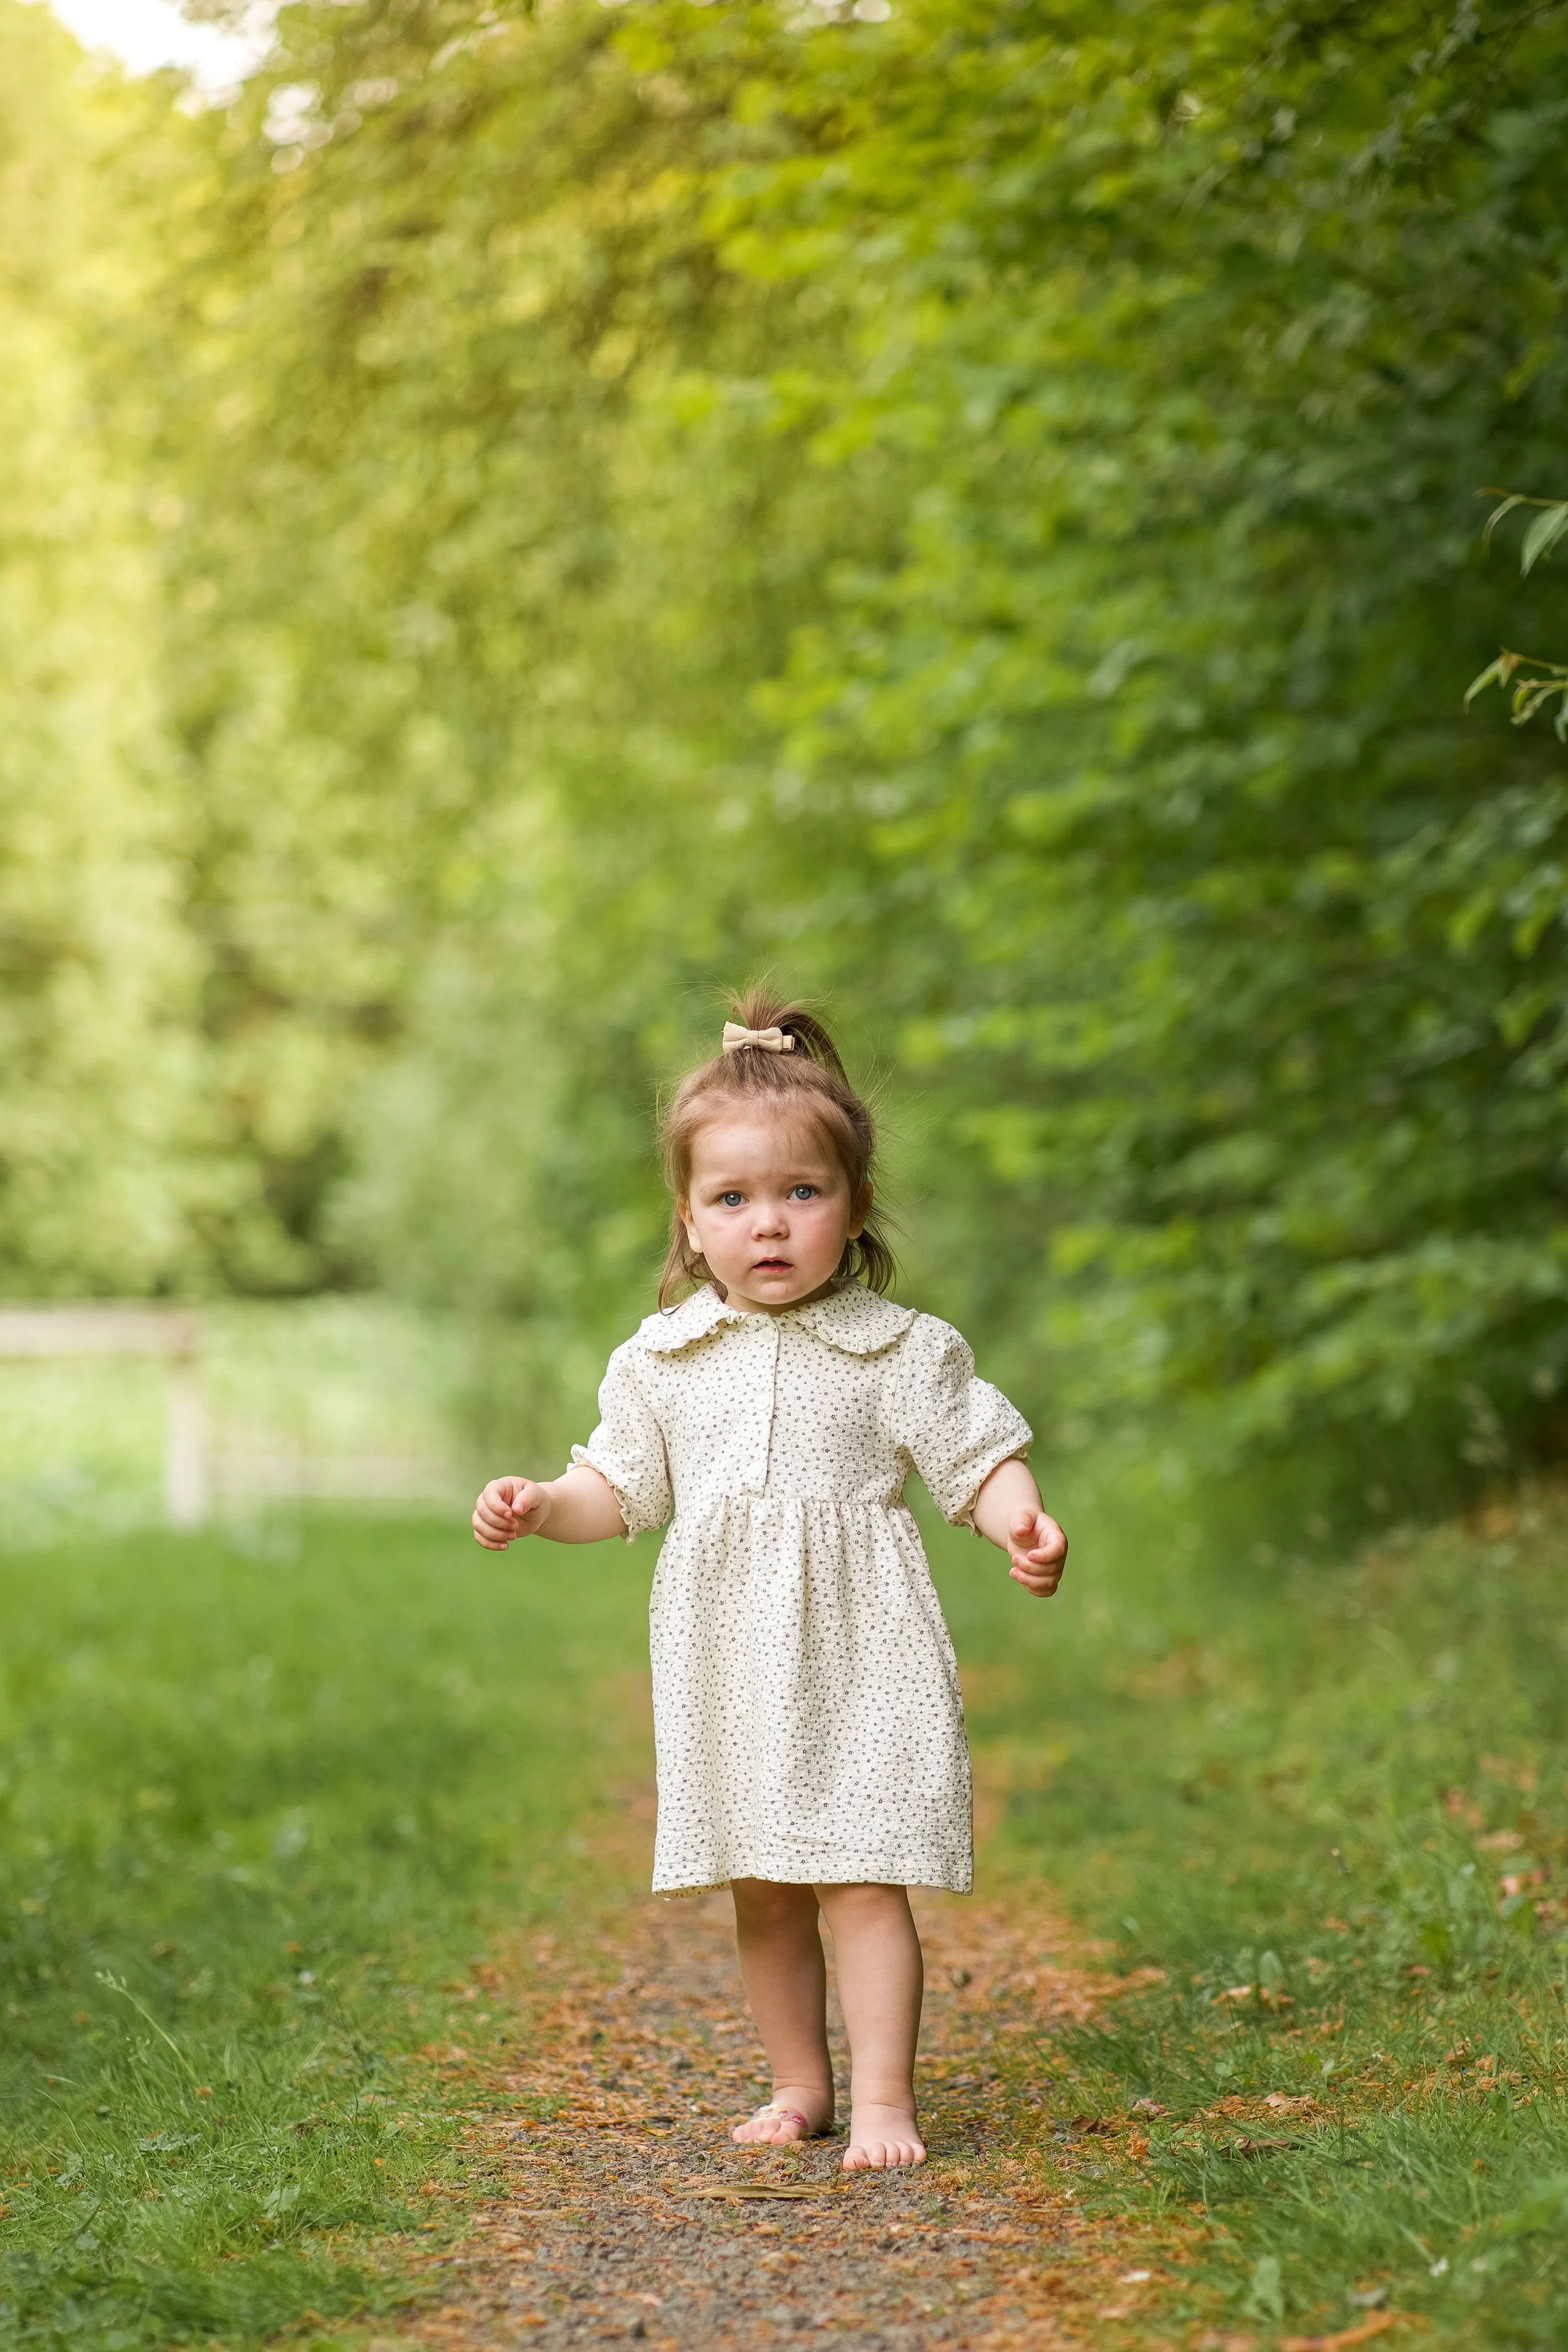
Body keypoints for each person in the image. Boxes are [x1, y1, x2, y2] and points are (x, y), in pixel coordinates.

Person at [472, 991, 1066, 2170]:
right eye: (734, 1199)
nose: (771, 1225)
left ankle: (887, 2098)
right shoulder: (664, 1359)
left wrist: (1020, 1520)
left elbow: (973, 1451)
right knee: (766, 1883)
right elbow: (621, 1489)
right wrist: (546, 1507)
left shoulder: (896, 1347)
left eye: (803, 1192)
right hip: (730, 1657)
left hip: (863, 1646)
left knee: (859, 1873)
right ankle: (801, 2084)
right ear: (689, 1222)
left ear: (851, 1208)